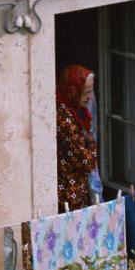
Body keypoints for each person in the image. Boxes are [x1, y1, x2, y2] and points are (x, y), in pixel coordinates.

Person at [56, 64, 99, 212]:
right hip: (68, 198)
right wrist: (92, 144)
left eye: (90, 92)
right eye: (85, 93)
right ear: (74, 91)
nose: (89, 98)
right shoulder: (65, 119)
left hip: (75, 193)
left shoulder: (75, 112)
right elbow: (85, 162)